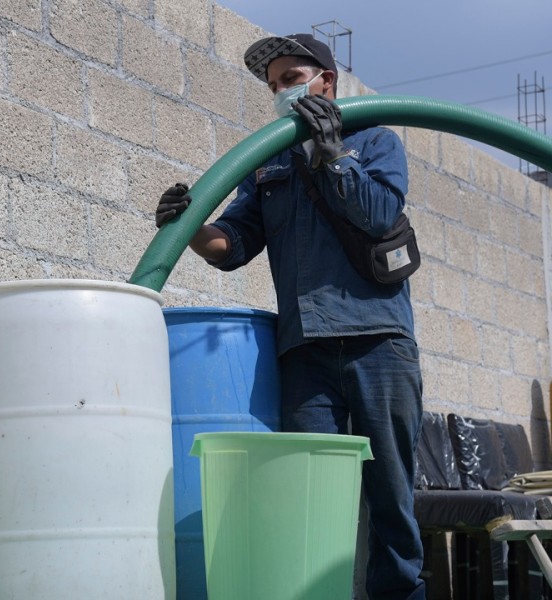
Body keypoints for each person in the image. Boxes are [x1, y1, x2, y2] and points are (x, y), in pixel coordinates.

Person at [156, 34, 425, 600]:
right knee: (307, 496)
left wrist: (333, 157)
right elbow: (233, 245)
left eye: (293, 78)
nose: (282, 91)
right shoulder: (271, 162)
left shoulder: (376, 140)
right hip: (305, 351)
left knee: (391, 498)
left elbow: (380, 215)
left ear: (327, 81)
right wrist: (188, 226)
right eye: (275, 84)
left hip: (379, 341)